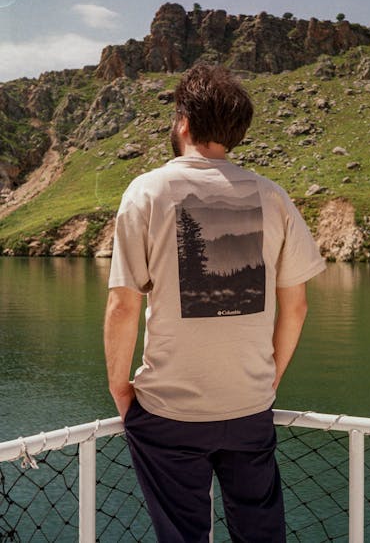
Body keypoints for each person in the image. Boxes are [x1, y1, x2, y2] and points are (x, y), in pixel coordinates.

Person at [104, 64, 326, 542]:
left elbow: (123, 306)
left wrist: (120, 389)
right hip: (250, 408)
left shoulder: (147, 191)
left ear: (183, 122)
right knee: (260, 531)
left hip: (169, 413)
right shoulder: (273, 196)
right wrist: (269, 379)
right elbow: (297, 307)